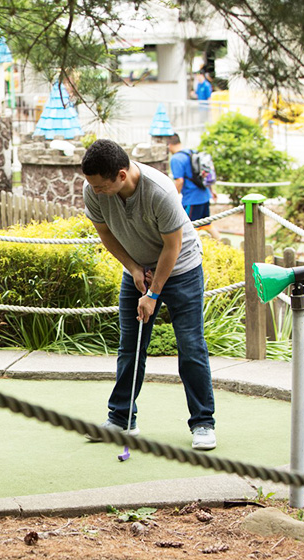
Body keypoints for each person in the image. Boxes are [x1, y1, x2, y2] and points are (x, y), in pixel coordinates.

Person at [80, 139, 216, 451]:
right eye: (91, 185)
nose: (94, 192)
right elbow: (106, 234)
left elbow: (173, 246)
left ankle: (203, 423)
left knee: (191, 346)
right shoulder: (94, 190)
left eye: (100, 186)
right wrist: (134, 268)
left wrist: (153, 294)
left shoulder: (160, 191)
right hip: (137, 269)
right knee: (130, 347)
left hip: (181, 269)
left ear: (122, 176)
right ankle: (122, 419)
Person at [167, 134, 221, 241]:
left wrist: (172, 197)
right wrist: (211, 190)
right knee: (207, 224)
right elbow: (203, 174)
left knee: (187, 227)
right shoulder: (192, 152)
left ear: (168, 145)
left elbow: (179, 181)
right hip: (204, 196)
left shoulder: (176, 159)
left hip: (192, 199)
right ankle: (223, 245)